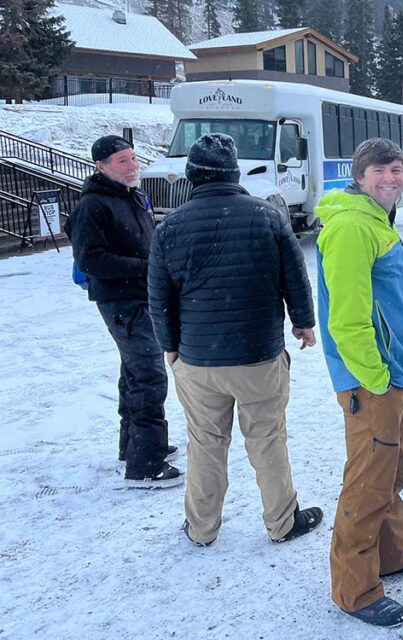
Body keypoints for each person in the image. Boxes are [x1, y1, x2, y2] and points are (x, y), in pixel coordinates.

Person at [148, 133, 323, 546]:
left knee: (206, 443)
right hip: (258, 356)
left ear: (191, 177)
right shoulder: (267, 216)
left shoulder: (170, 227)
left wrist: (169, 345)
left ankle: (202, 528)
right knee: (267, 439)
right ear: (234, 173)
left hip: (197, 359)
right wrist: (303, 322)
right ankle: (282, 523)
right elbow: (294, 276)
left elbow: (159, 297)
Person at [316, 138, 403, 628]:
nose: (391, 178)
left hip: (392, 372)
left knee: (392, 473)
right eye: (381, 170)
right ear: (359, 175)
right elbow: (347, 321)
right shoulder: (352, 226)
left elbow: (383, 298)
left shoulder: (375, 221)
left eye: (398, 169)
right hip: (371, 381)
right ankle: (355, 590)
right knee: (368, 483)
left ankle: (391, 554)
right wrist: (377, 380)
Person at [69, 135, 180, 487]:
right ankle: (146, 465)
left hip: (140, 296)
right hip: (122, 302)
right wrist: (144, 267)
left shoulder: (130, 194)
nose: (132, 165)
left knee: (133, 371)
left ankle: (133, 444)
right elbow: (90, 259)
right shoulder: (94, 205)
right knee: (148, 375)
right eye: (122, 161)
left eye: (133, 158)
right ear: (101, 167)